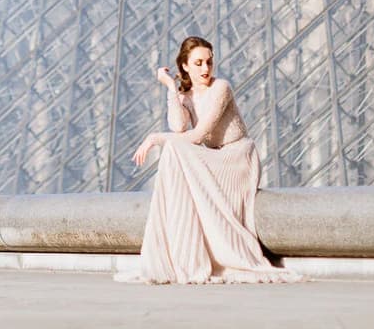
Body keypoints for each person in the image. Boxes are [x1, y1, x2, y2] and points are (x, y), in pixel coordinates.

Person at [118, 36, 302, 285]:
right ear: (184, 66)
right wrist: (172, 89)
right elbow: (179, 126)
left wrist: (154, 138)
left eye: (209, 62)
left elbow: (199, 135)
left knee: (173, 148)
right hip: (214, 157)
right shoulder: (186, 94)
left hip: (237, 157)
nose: (205, 69)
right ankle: (183, 257)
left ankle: (189, 257)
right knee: (173, 151)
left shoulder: (221, 88)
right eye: (198, 63)